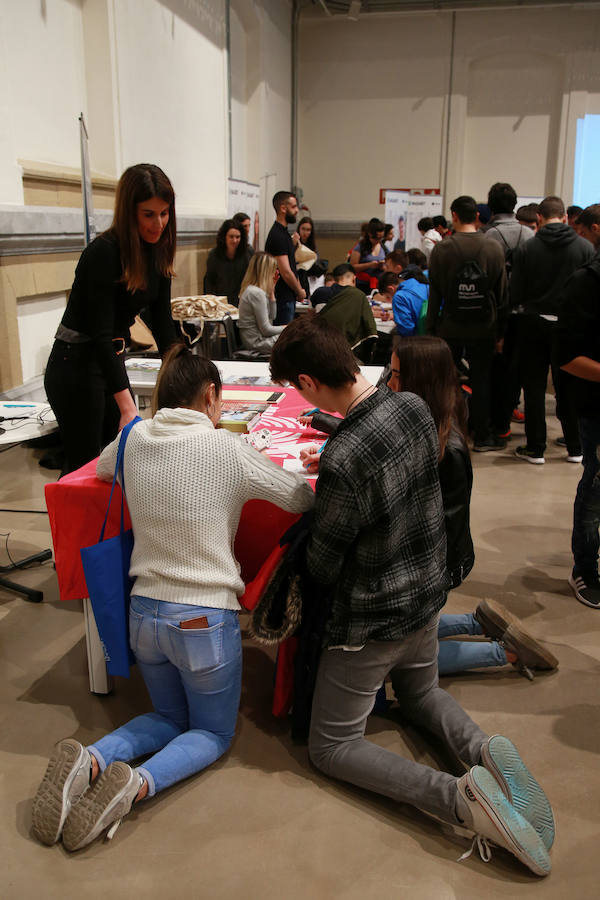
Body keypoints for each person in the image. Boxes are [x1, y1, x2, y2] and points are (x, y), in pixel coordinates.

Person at [269, 315, 553, 877]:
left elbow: (324, 563)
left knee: (331, 747)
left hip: (372, 622)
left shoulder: (346, 461)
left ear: (305, 382)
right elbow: (379, 452)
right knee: (421, 695)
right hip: (426, 598)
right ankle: (483, 749)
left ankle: (459, 799)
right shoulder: (414, 408)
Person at [32, 345, 314, 851]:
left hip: (144, 616)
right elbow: (298, 497)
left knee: (167, 717)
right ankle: (139, 784)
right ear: (209, 395)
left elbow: (100, 470)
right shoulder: (226, 450)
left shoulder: (134, 438)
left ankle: (94, 758)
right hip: (203, 620)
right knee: (211, 734)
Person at [299, 335, 556, 678]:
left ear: (421, 380)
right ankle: (477, 621)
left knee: (394, 661)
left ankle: (505, 653)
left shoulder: (442, 447)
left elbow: (431, 527)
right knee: (413, 634)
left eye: (397, 375)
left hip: (435, 564)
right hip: (425, 563)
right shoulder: (427, 421)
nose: (388, 383)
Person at [44, 163, 177, 477]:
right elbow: (101, 335)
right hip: (75, 365)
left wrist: (183, 374)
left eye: (164, 213)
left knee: (112, 467)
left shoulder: (158, 250)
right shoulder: (103, 253)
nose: (158, 224)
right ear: (129, 212)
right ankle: (75, 528)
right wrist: (127, 405)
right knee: (85, 468)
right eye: (148, 214)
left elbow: (163, 323)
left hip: (108, 360)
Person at [510, 195, 594, 464]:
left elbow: (516, 291)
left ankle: (535, 448)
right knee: (566, 385)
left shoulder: (527, 248)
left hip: (533, 322)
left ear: (539, 219)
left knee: (533, 386)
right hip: (569, 324)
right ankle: (574, 446)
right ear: (566, 218)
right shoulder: (584, 248)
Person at [426, 195, 508, 452]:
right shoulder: (493, 247)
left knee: (447, 380)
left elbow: (435, 295)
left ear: (454, 215)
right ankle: (482, 435)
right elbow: (502, 294)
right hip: (485, 326)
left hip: (450, 325)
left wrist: (431, 330)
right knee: (482, 380)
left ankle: (447, 433)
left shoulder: (442, 249)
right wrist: (501, 333)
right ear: (477, 217)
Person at [558, 204, 600, 608]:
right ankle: (586, 568)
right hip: (596, 407)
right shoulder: (586, 283)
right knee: (596, 486)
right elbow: (568, 356)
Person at [484, 182, 535, 439]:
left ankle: (495, 424)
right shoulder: (530, 235)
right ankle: (508, 417)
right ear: (515, 205)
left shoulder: (488, 237)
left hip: (494, 314)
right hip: (524, 313)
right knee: (515, 370)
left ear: (490, 206)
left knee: (493, 370)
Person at [313, 265, 377, 361]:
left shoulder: (319, 292)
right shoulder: (358, 295)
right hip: (345, 349)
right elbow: (369, 328)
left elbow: (311, 315)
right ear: (354, 279)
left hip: (318, 343)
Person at [264, 190, 306, 324]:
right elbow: (285, 271)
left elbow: (291, 265)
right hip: (282, 297)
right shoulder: (278, 236)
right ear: (283, 208)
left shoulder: (284, 233)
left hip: (288, 297)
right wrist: (299, 291)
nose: (296, 211)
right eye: (293, 207)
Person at [237, 251, 285, 355]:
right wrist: (287, 327)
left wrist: (272, 291)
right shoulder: (256, 293)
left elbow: (272, 317)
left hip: (256, 340)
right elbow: (266, 330)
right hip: (257, 342)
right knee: (296, 338)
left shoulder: (253, 290)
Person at [203, 218, 252, 307]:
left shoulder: (248, 254)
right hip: (220, 304)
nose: (235, 240)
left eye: (238, 237)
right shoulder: (214, 255)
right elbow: (210, 281)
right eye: (231, 237)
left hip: (242, 303)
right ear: (224, 237)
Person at [391, 253, 430, 336]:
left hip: (415, 342)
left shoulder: (400, 296)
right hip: (435, 338)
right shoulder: (428, 287)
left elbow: (406, 329)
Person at [349, 218, 386, 283]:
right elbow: (352, 267)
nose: (378, 241)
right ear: (370, 235)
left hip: (378, 282)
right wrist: (369, 265)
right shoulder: (360, 247)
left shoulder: (383, 246)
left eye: (381, 238)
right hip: (363, 283)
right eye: (376, 238)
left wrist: (383, 266)